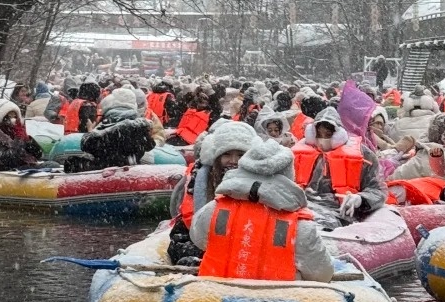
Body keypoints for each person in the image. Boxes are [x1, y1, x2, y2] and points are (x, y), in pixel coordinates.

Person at [190, 138, 335, 281]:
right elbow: (322, 274)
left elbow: (198, 239)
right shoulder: (300, 226)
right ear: (288, 174)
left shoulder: (213, 210)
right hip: (278, 301)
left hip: (216, 298)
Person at [166, 121, 256, 264]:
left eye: (240, 154)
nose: (234, 161)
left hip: (246, 251)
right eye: (226, 154)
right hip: (208, 252)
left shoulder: (261, 188)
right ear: (216, 157)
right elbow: (179, 238)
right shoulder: (199, 185)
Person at [292, 106, 386, 223]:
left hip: (341, 214)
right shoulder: (295, 154)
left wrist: (361, 199)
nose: (322, 139)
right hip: (302, 209)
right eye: (319, 134)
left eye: (328, 134)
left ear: (338, 134)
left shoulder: (364, 156)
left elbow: (378, 190)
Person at [68, 87, 158, 173]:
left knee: (71, 163)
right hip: (129, 170)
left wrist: (91, 130)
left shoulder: (107, 124)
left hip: (104, 172)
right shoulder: (139, 127)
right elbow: (150, 145)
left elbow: (86, 144)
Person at [0, 99, 42, 169]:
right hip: (10, 171)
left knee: (52, 165)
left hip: (27, 166)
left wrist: (27, 140)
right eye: (10, 116)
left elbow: (38, 154)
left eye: (15, 116)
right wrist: (19, 139)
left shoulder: (14, 131)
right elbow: (5, 160)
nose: (13, 120)